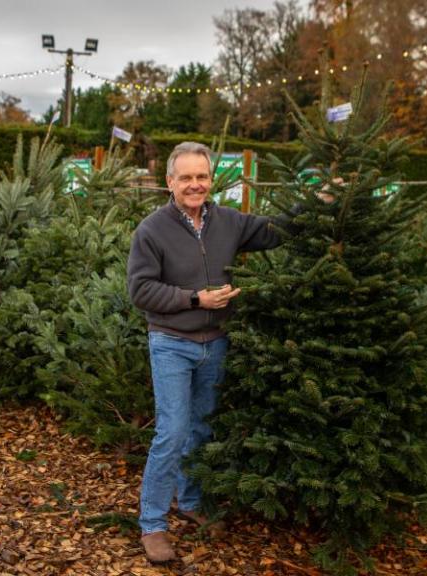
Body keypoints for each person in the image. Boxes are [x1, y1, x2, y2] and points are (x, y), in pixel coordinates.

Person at [127, 141, 289, 563]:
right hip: (171, 343)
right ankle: (153, 524)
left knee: (200, 428)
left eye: (202, 177)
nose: (195, 185)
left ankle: (192, 501)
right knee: (173, 430)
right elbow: (140, 290)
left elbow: (275, 231)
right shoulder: (152, 230)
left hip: (215, 343)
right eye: (186, 178)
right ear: (170, 182)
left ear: (210, 180)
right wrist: (195, 300)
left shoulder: (229, 222)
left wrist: (322, 204)